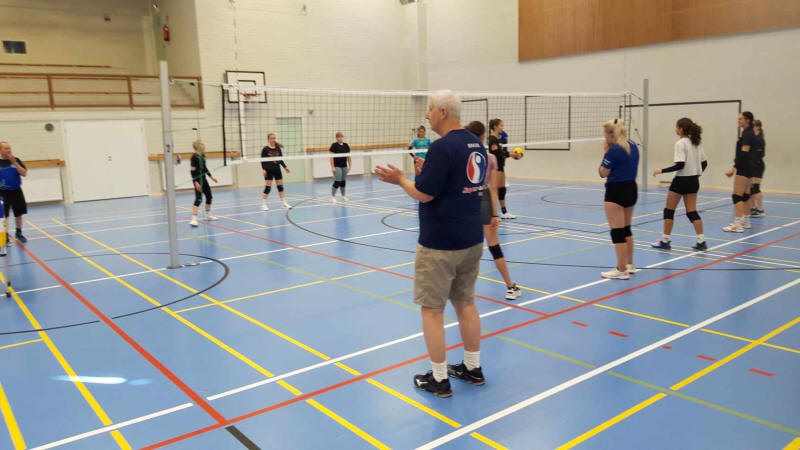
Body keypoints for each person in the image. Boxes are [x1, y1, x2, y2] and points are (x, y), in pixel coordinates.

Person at [375, 89, 487, 397]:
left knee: (432, 310)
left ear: (443, 112)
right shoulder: (475, 142)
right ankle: (473, 368)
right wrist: (427, 176)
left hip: (441, 243)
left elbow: (424, 194)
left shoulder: (442, 146)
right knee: (466, 303)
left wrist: (400, 179)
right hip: (471, 238)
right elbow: (460, 182)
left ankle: (439, 378)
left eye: (430, 108)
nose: (427, 114)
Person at [464, 120, 521, 300]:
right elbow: (493, 188)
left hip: (466, 200)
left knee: (466, 247)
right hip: (484, 200)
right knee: (494, 247)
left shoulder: (463, 156)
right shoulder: (490, 158)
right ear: (483, 137)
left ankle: (460, 289)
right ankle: (510, 287)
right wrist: (496, 214)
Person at [651, 118, 708, 251]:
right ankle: (701, 241)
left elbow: (680, 165)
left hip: (681, 181)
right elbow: (704, 163)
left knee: (669, 211)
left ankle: (665, 241)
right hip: (694, 181)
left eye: (676, 127)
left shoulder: (680, 143)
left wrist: (661, 171)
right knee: (692, 212)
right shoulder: (696, 142)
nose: (675, 129)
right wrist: (696, 174)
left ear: (681, 129)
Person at [598, 119, 639, 280]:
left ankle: (621, 270)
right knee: (626, 229)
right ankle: (629, 264)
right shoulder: (633, 146)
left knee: (617, 232)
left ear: (610, 134)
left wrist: (606, 152)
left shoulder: (614, 150)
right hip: (631, 189)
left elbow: (603, 172)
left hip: (616, 191)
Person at [723, 112, 756, 232]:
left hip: (743, 167)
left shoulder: (748, 135)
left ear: (747, 120)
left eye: (740, 119)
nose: (738, 121)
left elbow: (744, 153)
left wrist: (734, 167)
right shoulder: (749, 133)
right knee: (746, 196)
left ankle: (737, 225)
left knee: (737, 196)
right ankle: (745, 221)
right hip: (750, 167)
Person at [0, 141, 28, 243]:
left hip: (16, 191)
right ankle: (6, 235)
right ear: (0, 150)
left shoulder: (16, 160)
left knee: (19, 213)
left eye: (9, 148)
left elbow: (24, 173)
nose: (8, 150)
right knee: (5, 215)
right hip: (2, 193)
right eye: (6, 148)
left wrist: (15, 163)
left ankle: (19, 233)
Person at [488, 118, 514, 219]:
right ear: (495, 126)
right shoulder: (492, 139)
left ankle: (504, 212)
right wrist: (509, 154)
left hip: (500, 166)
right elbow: (497, 154)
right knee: (495, 190)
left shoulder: (498, 139)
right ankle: (493, 213)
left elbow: (501, 153)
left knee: (502, 189)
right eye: (501, 125)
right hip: (496, 168)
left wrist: (511, 154)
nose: (502, 127)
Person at [189, 140, 218, 227]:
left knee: (209, 196)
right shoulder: (194, 157)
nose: (204, 145)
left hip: (204, 179)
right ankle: (194, 219)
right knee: (199, 199)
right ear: (198, 146)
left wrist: (211, 177)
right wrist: (196, 182)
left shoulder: (203, 156)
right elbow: (192, 171)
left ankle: (208, 214)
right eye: (202, 144)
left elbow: (205, 168)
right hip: (197, 180)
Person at [260, 133, 292, 211]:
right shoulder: (265, 149)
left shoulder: (278, 148)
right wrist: (264, 169)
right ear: (268, 139)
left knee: (280, 187)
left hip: (277, 170)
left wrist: (285, 167)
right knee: (268, 188)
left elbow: (280, 160)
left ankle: (284, 203)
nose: (273, 139)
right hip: (268, 170)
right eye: (271, 138)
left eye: (274, 138)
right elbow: (262, 161)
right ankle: (263, 205)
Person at [750, 120, 766, 217]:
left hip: (758, 165)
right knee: (750, 188)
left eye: (753, 126)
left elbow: (760, 154)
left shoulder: (760, 139)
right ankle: (753, 208)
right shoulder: (752, 138)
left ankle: (760, 210)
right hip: (752, 165)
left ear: (758, 127)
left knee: (756, 188)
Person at [329, 131, 351, 203]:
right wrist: (332, 167)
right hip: (337, 166)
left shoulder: (346, 145)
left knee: (343, 181)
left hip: (344, 165)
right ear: (336, 138)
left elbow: (348, 156)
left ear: (343, 137)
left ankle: (343, 196)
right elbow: (331, 157)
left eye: (341, 136)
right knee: (337, 181)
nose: (340, 138)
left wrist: (350, 165)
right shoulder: (334, 145)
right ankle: (332, 197)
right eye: (338, 137)